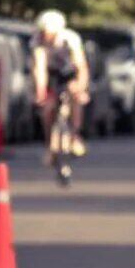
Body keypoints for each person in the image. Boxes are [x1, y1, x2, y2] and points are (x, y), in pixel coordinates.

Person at [31, 10, 90, 163]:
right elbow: (40, 68)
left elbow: (81, 66)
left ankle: (75, 135)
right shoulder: (37, 40)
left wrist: (81, 87)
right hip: (52, 74)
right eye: (44, 32)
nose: (46, 36)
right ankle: (49, 144)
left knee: (75, 94)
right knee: (47, 109)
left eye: (49, 33)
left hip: (70, 73)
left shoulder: (70, 39)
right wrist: (40, 92)